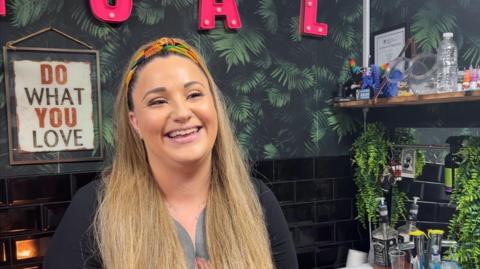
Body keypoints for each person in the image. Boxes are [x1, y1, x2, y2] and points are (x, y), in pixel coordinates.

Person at [43, 37, 297, 269]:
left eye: (194, 94)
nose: (182, 113)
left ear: (215, 106)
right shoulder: (92, 209)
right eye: (158, 101)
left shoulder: (258, 201)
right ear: (135, 122)